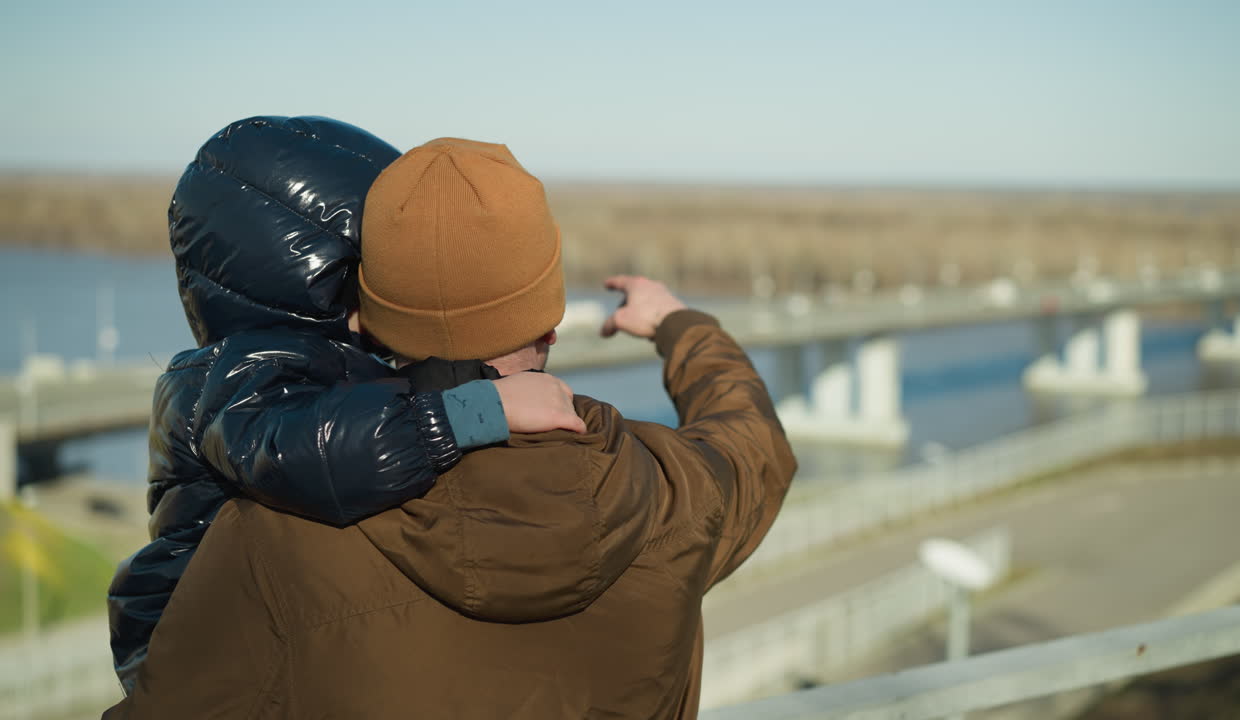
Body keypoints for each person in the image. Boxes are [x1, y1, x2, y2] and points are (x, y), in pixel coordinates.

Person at [105, 138, 796, 719]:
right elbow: (754, 440)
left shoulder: (273, 531)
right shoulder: (669, 491)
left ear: (367, 317)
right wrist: (679, 326)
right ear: (549, 322)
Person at [106, 118, 585, 692]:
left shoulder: (308, 360)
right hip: (196, 650)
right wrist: (476, 409)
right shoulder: (234, 380)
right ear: (320, 277)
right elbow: (321, 453)